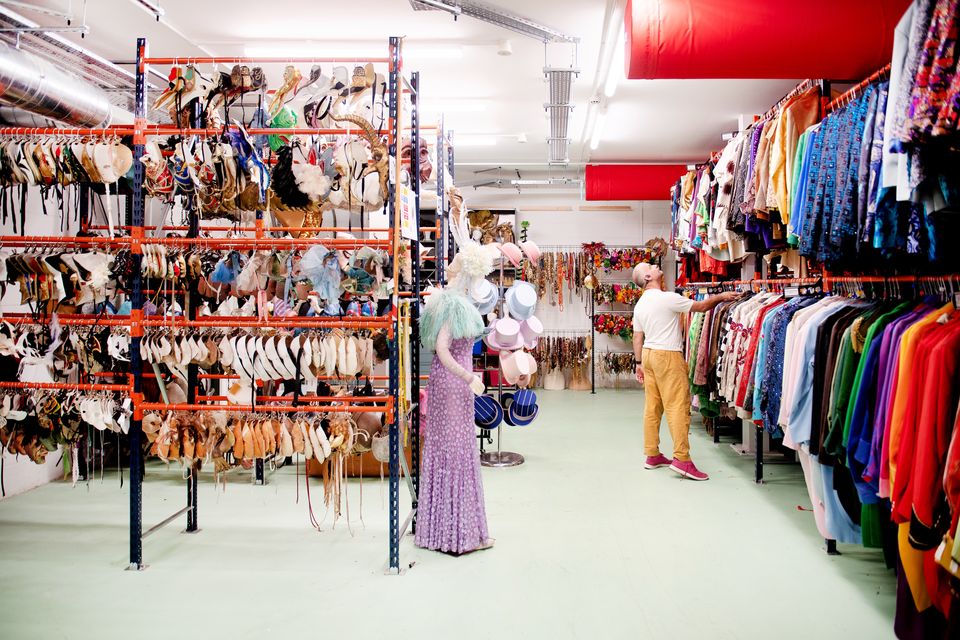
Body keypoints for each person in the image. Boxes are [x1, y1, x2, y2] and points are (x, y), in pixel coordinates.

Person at [631, 262, 739, 481]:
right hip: (667, 356)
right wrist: (721, 296)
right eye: (650, 265)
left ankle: (652, 454)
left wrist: (639, 362)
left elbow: (637, 336)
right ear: (649, 276)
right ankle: (682, 459)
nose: (655, 264)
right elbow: (700, 307)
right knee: (678, 406)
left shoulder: (641, 303)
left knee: (653, 407)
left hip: (649, 354)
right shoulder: (667, 297)